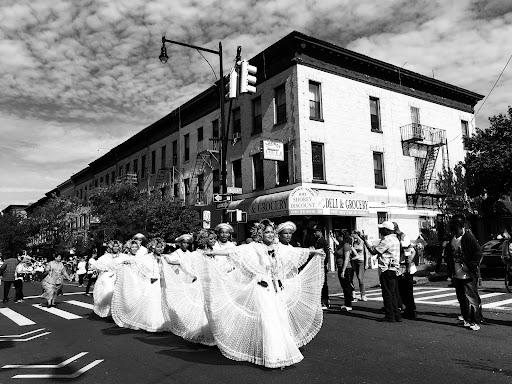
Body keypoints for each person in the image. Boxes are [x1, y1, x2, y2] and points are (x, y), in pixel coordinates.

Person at [204, 219, 325, 369]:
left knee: (280, 320)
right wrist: (213, 252)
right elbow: (233, 251)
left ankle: (282, 354)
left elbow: (296, 251)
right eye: (266, 232)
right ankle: (272, 356)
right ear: (260, 233)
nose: (270, 234)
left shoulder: (278, 247)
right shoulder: (253, 247)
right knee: (268, 321)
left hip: (276, 291)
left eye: (272, 232)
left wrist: (315, 251)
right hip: (262, 290)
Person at [111, 237, 199, 334]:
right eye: (158, 247)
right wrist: (128, 262)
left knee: (162, 302)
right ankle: (152, 323)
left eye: (162, 247)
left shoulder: (165, 257)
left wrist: (191, 275)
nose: (160, 249)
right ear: (153, 248)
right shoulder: (147, 257)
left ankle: (162, 322)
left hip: (162, 283)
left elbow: (179, 263)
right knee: (152, 303)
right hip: (152, 284)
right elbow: (137, 262)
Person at [357, 221, 401, 322]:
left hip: (386, 269)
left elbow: (373, 252)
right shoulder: (395, 239)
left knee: (387, 294)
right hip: (394, 269)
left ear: (386, 230)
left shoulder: (386, 240)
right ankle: (396, 315)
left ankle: (390, 316)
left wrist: (365, 241)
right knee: (393, 293)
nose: (380, 230)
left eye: (382, 229)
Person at [444, 215, 483, 331]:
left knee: (472, 298)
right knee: (461, 299)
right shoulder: (453, 238)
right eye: (453, 229)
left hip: (468, 274)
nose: (455, 231)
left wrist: (470, 266)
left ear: (462, 227)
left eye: (456, 228)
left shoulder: (468, 237)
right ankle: (466, 319)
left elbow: (478, 253)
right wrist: (450, 272)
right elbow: (450, 255)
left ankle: (475, 321)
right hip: (457, 274)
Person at [93, 240, 130, 317]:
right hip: (109, 278)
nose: (115, 248)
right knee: (110, 293)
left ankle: (120, 311)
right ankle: (111, 312)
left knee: (121, 294)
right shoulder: (106, 256)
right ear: (111, 247)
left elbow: (130, 263)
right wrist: (105, 270)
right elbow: (97, 265)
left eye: (117, 246)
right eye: (114, 246)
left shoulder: (124, 256)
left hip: (120, 277)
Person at [394, 223, 417, 320]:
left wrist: (407, 270)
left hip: (405, 268)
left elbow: (408, 254)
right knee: (402, 290)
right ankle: (407, 309)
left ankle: (411, 311)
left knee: (407, 291)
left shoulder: (403, 237)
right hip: (401, 268)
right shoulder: (397, 237)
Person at [335, 231, 355, 311]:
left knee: (346, 286)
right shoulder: (340, 245)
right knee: (344, 286)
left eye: (338, 236)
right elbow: (338, 254)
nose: (337, 238)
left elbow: (347, 258)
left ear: (342, 236)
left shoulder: (346, 245)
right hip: (340, 267)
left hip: (346, 268)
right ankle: (346, 303)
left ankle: (348, 304)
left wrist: (343, 270)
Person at [313, 225, 330, 309]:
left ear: (319, 232)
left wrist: (324, 263)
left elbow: (326, 253)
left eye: (316, 232)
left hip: (321, 265)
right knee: (321, 283)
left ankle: (325, 301)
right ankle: (324, 300)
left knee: (323, 283)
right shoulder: (318, 240)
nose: (314, 233)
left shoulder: (322, 241)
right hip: (319, 264)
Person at [351, 230, 368, 301]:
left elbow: (366, 253)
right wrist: (352, 242)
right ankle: (353, 293)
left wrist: (366, 263)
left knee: (360, 278)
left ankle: (363, 294)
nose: (352, 236)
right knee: (351, 277)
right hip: (354, 261)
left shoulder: (363, 242)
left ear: (356, 234)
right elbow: (351, 250)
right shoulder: (353, 242)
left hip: (361, 261)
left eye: (353, 234)